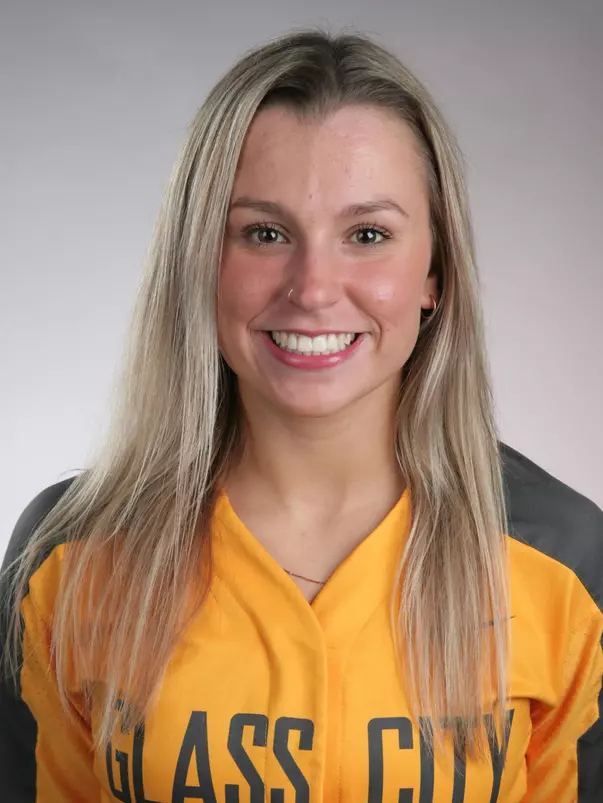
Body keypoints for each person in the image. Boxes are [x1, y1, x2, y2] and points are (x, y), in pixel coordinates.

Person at [1, 27, 602, 803]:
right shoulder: (67, 558)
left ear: (434, 273)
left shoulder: (566, 562)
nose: (313, 286)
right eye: (265, 233)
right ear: (199, 262)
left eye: (367, 235)